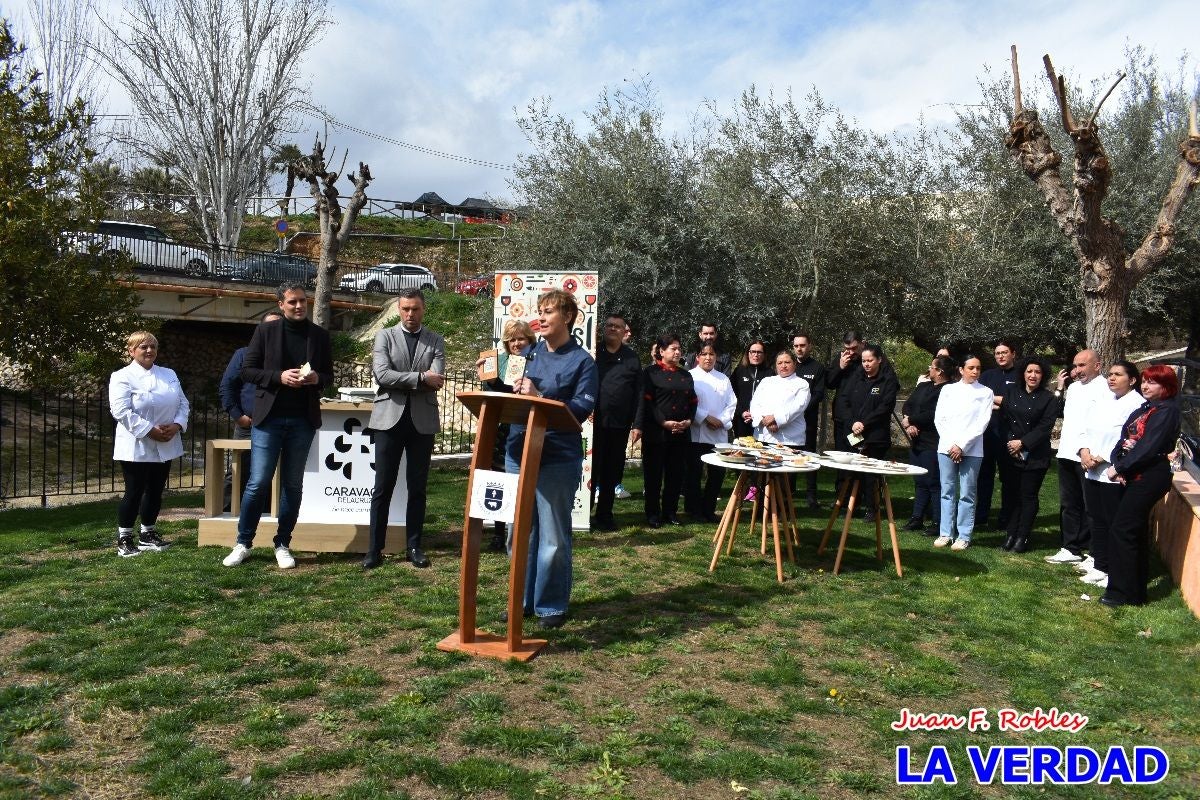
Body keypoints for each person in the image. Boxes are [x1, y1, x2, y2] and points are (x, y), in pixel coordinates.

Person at [222, 283, 333, 569]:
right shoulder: (266, 331)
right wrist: (279, 377)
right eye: (293, 302)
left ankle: (283, 543)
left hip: (302, 420)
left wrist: (315, 379)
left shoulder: (319, 335)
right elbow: (248, 371)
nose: (299, 306)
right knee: (258, 482)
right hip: (269, 419)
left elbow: (328, 374)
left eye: (303, 302)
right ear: (281, 304)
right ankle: (243, 543)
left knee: (293, 485)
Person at [505, 289, 598, 629]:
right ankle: (521, 600)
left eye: (548, 312)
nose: (541, 318)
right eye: (539, 311)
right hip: (519, 451)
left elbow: (579, 411)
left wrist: (540, 396)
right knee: (519, 533)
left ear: (568, 317)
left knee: (553, 536)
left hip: (557, 456)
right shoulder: (530, 355)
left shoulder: (583, 362)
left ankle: (550, 606)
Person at [363, 288, 446, 570]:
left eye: (415, 309)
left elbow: (439, 379)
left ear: (424, 310)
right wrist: (421, 377)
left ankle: (414, 546)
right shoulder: (384, 336)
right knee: (382, 487)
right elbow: (382, 374)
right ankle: (375, 548)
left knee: (417, 488)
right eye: (405, 309)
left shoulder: (435, 339)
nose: (410, 314)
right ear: (399, 310)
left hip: (422, 423)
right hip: (389, 420)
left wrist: (412, 379)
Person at [1100, 364, 1181, 607]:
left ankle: (1122, 592)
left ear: (1166, 386)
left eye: (1153, 382)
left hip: (1149, 477)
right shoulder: (1146, 408)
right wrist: (1119, 462)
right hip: (1134, 474)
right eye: (1144, 381)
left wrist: (1121, 468)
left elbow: (1149, 447)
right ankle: (1133, 593)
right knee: (1131, 531)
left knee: (1122, 530)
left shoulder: (1167, 411)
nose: (1146, 386)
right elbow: (1124, 439)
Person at [109, 331, 190, 557]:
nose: (149, 351)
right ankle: (124, 538)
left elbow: (183, 403)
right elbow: (120, 410)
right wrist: (149, 430)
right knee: (134, 491)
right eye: (143, 347)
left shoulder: (168, 374)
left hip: (166, 439)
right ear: (131, 351)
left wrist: (177, 425)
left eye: (152, 346)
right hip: (136, 443)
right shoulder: (122, 376)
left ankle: (148, 534)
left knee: (155, 490)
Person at [1077, 361, 1145, 589]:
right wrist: (1084, 451)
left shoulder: (1137, 404)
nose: (1112, 378)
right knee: (1096, 518)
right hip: (1092, 469)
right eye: (1110, 374)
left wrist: (1100, 457)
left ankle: (1112, 569)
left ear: (1132, 380)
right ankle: (1100, 563)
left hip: (1112, 470)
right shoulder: (1106, 400)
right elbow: (1088, 427)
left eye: (1118, 375)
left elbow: (1128, 438)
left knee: (1112, 521)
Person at [476, 318, 535, 549]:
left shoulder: (536, 361)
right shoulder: (499, 361)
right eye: (511, 339)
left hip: (527, 425)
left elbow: (515, 392)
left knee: (522, 481)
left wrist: (495, 383)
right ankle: (499, 533)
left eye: (521, 338)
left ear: (530, 339)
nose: (516, 343)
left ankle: (521, 532)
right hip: (502, 428)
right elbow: (496, 393)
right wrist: (487, 378)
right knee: (499, 481)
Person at [1045, 350, 1108, 568]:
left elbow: (1102, 425)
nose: (1077, 370)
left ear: (1097, 365)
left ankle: (1093, 552)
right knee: (1069, 503)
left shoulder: (1105, 389)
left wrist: (1090, 452)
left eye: (1082, 365)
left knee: (1091, 506)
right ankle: (1070, 547)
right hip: (1066, 452)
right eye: (1075, 365)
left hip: (1088, 456)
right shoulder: (1073, 388)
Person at [219, 309, 283, 513]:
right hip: (249, 425)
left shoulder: (290, 358)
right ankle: (227, 512)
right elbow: (227, 387)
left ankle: (269, 513)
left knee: (276, 472)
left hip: (280, 425)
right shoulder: (244, 355)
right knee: (239, 471)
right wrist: (239, 417)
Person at [633, 333, 697, 528]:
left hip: (680, 433)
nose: (677, 352)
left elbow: (693, 402)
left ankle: (671, 512)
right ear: (661, 351)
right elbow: (647, 402)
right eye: (673, 348)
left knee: (675, 475)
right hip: (657, 433)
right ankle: (652, 513)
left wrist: (688, 421)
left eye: (679, 349)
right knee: (653, 475)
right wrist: (663, 422)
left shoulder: (686, 374)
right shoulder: (650, 373)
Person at [994, 356, 1057, 553]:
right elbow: (1004, 418)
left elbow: (1045, 427)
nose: (1033, 375)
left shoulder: (1049, 399)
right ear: (1023, 373)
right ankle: (1011, 534)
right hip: (1011, 454)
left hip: (1035, 455)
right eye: (1029, 371)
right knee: (1013, 496)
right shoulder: (1011, 393)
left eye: (1037, 372)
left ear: (1043, 375)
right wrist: (1011, 443)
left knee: (1028, 496)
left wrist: (1022, 443)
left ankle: (1023, 536)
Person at [933, 355, 994, 551]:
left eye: (978, 368)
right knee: (947, 491)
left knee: (967, 493)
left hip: (972, 449)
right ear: (961, 369)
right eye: (971, 368)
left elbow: (981, 423)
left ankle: (964, 535)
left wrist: (962, 445)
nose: (975, 371)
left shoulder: (986, 393)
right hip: (946, 448)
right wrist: (952, 444)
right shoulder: (948, 390)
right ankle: (945, 533)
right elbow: (939, 418)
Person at [834, 344, 899, 520]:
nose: (866, 364)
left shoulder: (888, 381)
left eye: (870, 360)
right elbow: (844, 401)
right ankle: (850, 506)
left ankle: (872, 508)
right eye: (864, 361)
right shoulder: (857, 378)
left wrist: (865, 423)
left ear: (879, 360)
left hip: (875, 435)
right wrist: (852, 422)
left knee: (870, 473)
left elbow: (885, 407)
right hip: (854, 433)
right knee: (851, 471)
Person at [593, 313, 642, 530]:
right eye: (609, 325)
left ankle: (605, 515)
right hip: (592, 423)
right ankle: (582, 514)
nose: (612, 329)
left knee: (612, 471)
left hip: (619, 424)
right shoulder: (593, 353)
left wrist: (637, 424)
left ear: (624, 332)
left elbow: (639, 393)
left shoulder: (632, 358)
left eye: (617, 326)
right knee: (591, 470)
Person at [901, 355, 956, 534]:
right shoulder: (923, 385)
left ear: (939, 371)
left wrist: (912, 420)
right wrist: (910, 422)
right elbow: (908, 405)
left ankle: (937, 522)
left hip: (933, 441)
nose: (929, 369)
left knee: (933, 481)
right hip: (916, 440)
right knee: (919, 481)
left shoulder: (949, 390)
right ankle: (917, 517)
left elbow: (935, 414)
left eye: (932, 367)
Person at [685, 344, 736, 522]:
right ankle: (694, 509)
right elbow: (689, 402)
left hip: (718, 434)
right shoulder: (690, 376)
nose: (708, 357)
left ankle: (709, 509)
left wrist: (721, 420)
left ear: (716, 357)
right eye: (704, 354)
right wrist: (706, 417)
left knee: (717, 474)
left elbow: (732, 403)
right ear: (697, 357)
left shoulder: (723, 379)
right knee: (694, 472)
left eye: (711, 354)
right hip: (697, 432)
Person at [978, 339, 1021, 529]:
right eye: (997, 353)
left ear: (1013, 354)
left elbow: (1016, 403)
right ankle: (981, 517)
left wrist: (994, 400)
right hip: (986, 434)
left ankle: (1006, 518)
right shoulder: (987, 376)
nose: (1001, 356)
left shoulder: (1021, 375)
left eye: (1004, 352)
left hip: (1009, 434)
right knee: (983, 476)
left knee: (1008, 478)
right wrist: (1002, 403)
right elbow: (978, 400)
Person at [792, 333, 827, 508]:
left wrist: (801, 409)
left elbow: (819, 394)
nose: (799, 348)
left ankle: (811, 496)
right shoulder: (788, 366)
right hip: (788, 423)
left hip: (808, 421)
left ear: (809, 346)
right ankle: (787, 492)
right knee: (788, 455)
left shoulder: (818, 368)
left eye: (802, 345)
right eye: (796, 345)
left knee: (809, 456)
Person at [750, 350, 811, 446]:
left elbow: (797, 407)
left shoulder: (802, 384)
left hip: (790, 439)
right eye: (780, 363)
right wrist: (764, 421)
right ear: (776, 365)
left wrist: (776, 419)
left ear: (794, 364)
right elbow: (755, 404)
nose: (783, 366)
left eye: (787, 362)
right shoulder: (766, 381)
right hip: (762, 437)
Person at [732, 341, 773, 440]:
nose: (756, 355)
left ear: (764, 355)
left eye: (759, 352)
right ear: (748, 353)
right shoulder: (739, 371)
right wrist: (741, 412)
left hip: (761, 422)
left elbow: (772, 398)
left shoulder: (770, 373)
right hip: (742, 420)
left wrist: (757, 415)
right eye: (753, 352)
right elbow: (731, 395)